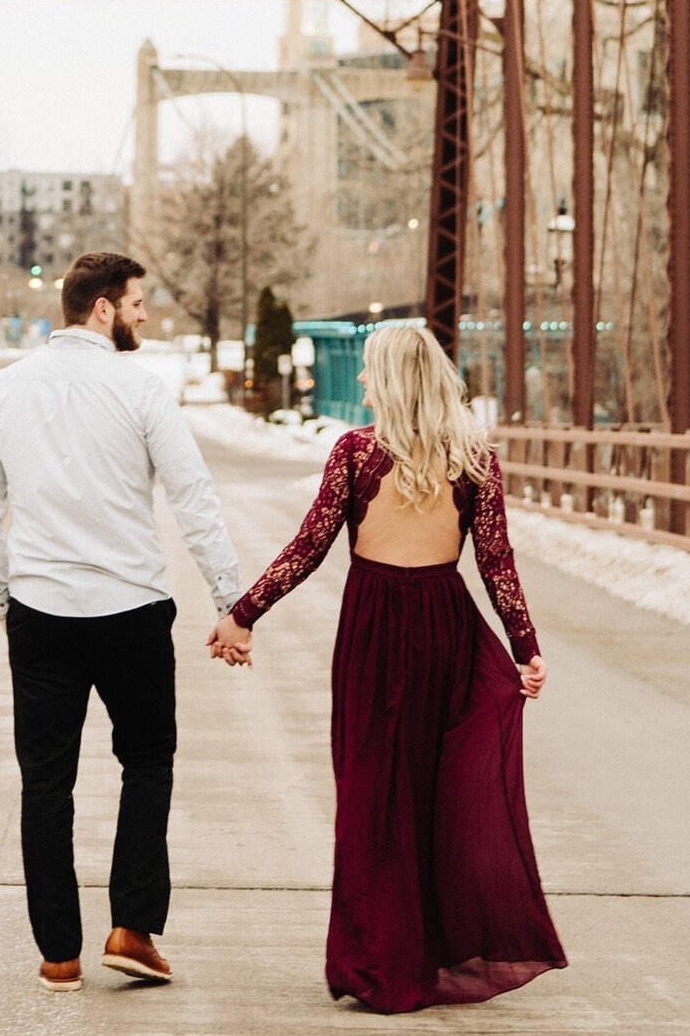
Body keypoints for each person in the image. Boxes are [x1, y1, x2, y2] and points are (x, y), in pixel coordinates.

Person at [207, 325, 564, 1014]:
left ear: (394, 380)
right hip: (447, 630)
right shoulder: (475, 458)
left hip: (375, 631)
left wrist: (244, 613)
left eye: (371, 373)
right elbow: (496, 564)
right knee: (432, 792)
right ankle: (427, 953)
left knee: (373, 797)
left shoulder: (356, 452)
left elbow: (309, 544)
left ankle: (378, 964)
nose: (363, 383)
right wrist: (526, 646)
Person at [0, 251, 244, 995]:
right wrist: (231, 599)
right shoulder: (142, 389)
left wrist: (3, 599)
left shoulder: (3, 390)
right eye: (137, 301)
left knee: (45, 783)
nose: (145, 314)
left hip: (42, 613)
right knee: (147, 762)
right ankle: (133, 928)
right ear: (102, 308)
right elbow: (193, 496)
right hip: (131, 613)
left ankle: (59, 952)